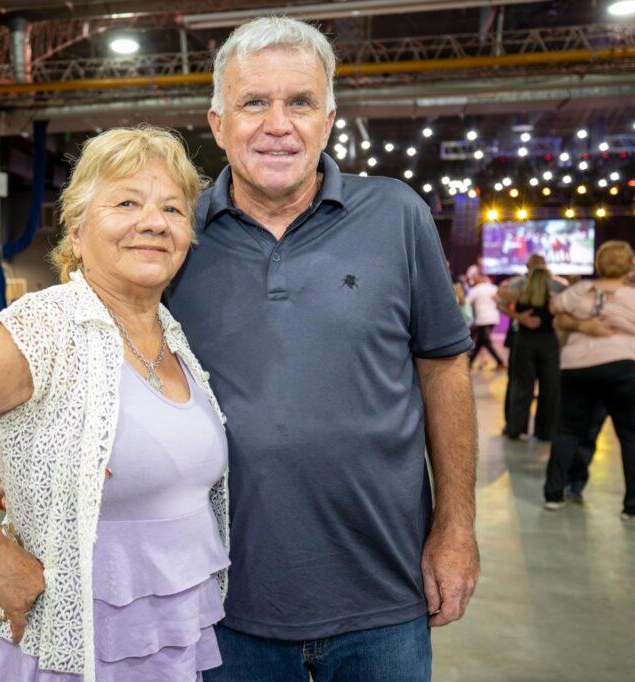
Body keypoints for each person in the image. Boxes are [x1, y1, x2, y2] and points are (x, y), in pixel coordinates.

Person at [0, 126, 229, 680]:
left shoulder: (172, 337)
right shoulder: (47, 326)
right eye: (127, 203)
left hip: (173, 636)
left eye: (172, 208)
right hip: (78, 649)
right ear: (77, 229)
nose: (154, 221)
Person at [165, 17, 477, 680]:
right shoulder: (173, 235)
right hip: (221, 598)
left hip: (384, 593)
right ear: (218, 123)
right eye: (254, 102)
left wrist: (455, 528)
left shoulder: (396, 214)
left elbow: (444, 369)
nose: (278, 124)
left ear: (328, 120)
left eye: (300, 102)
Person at [543, 240, 635, 520]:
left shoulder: (581, 289)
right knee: (633, 436)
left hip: (576, 367)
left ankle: (553, 494)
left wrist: (581, 323)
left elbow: (554, 307)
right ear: (627, 267)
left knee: (567, 431)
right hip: (619, 369)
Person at [504, 267, 560, 440]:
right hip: (548, 344)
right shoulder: (552, 299)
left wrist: (518, 317)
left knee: (522, 386)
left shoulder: (521, 296)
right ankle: (545, 431)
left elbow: (499, 304)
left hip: (524, 342)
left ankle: (515, 429)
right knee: (549, 387)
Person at [466, 273, 505, 370]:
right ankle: (469, 364)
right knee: (481, 341)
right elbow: (501, 300)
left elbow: (466, 302)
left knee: (485, 342)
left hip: (482, 319)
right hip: (494, 318)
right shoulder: (493, 287)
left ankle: (500, 362)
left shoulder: (475, 290)